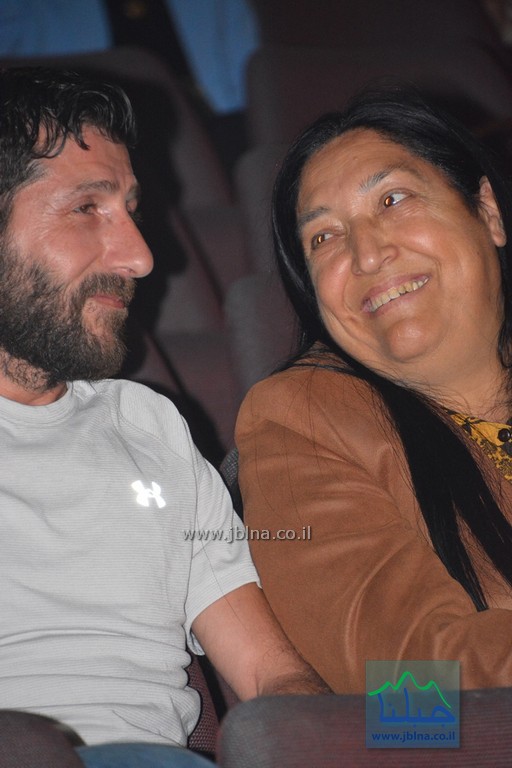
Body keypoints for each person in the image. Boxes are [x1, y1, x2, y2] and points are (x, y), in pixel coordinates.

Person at [0, 66, 330, 768]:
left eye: (131, 210)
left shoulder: (149, 425)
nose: (141, 258)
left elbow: (272, 677)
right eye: (87, 208)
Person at [235, 85, 512, 695]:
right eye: (324, 238)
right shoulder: (299, 420)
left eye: (393, 199)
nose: (366, 254)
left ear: (487, 211)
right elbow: (401, 694)